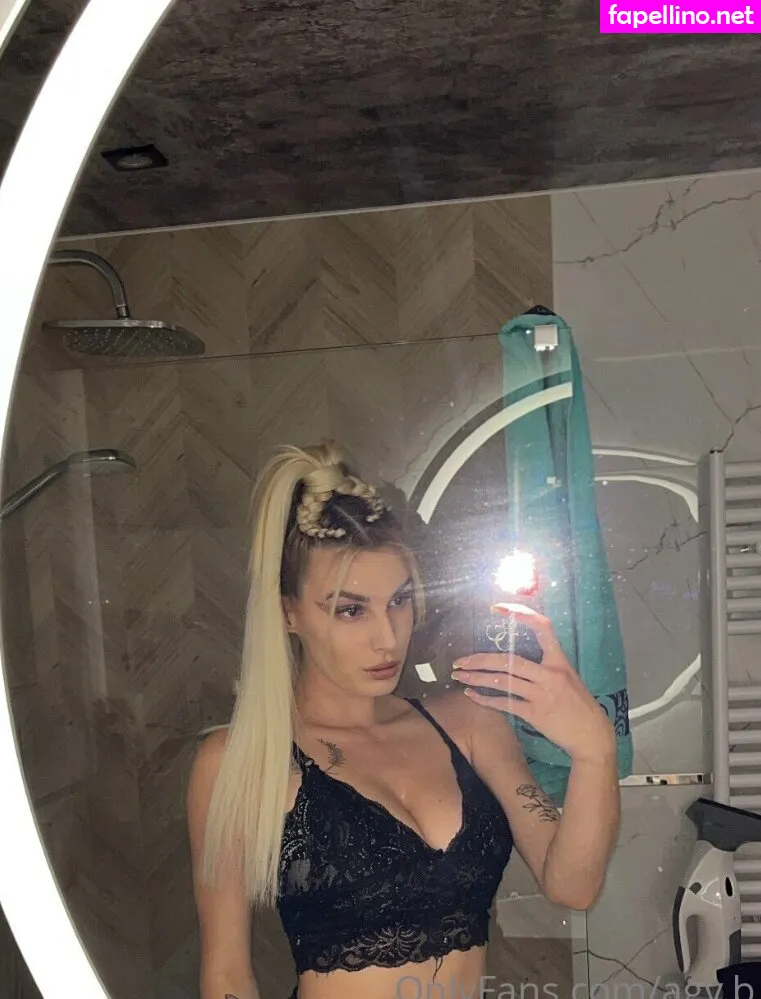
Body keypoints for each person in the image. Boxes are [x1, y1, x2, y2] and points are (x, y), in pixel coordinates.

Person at [186, 440, 621, 999]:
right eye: (350, 609)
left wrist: (594, 750)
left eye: (399, 600)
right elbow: (226, 974)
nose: (388, 637)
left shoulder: (468, 722)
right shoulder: (237, 761)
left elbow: (572, 887)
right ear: (287, 611)